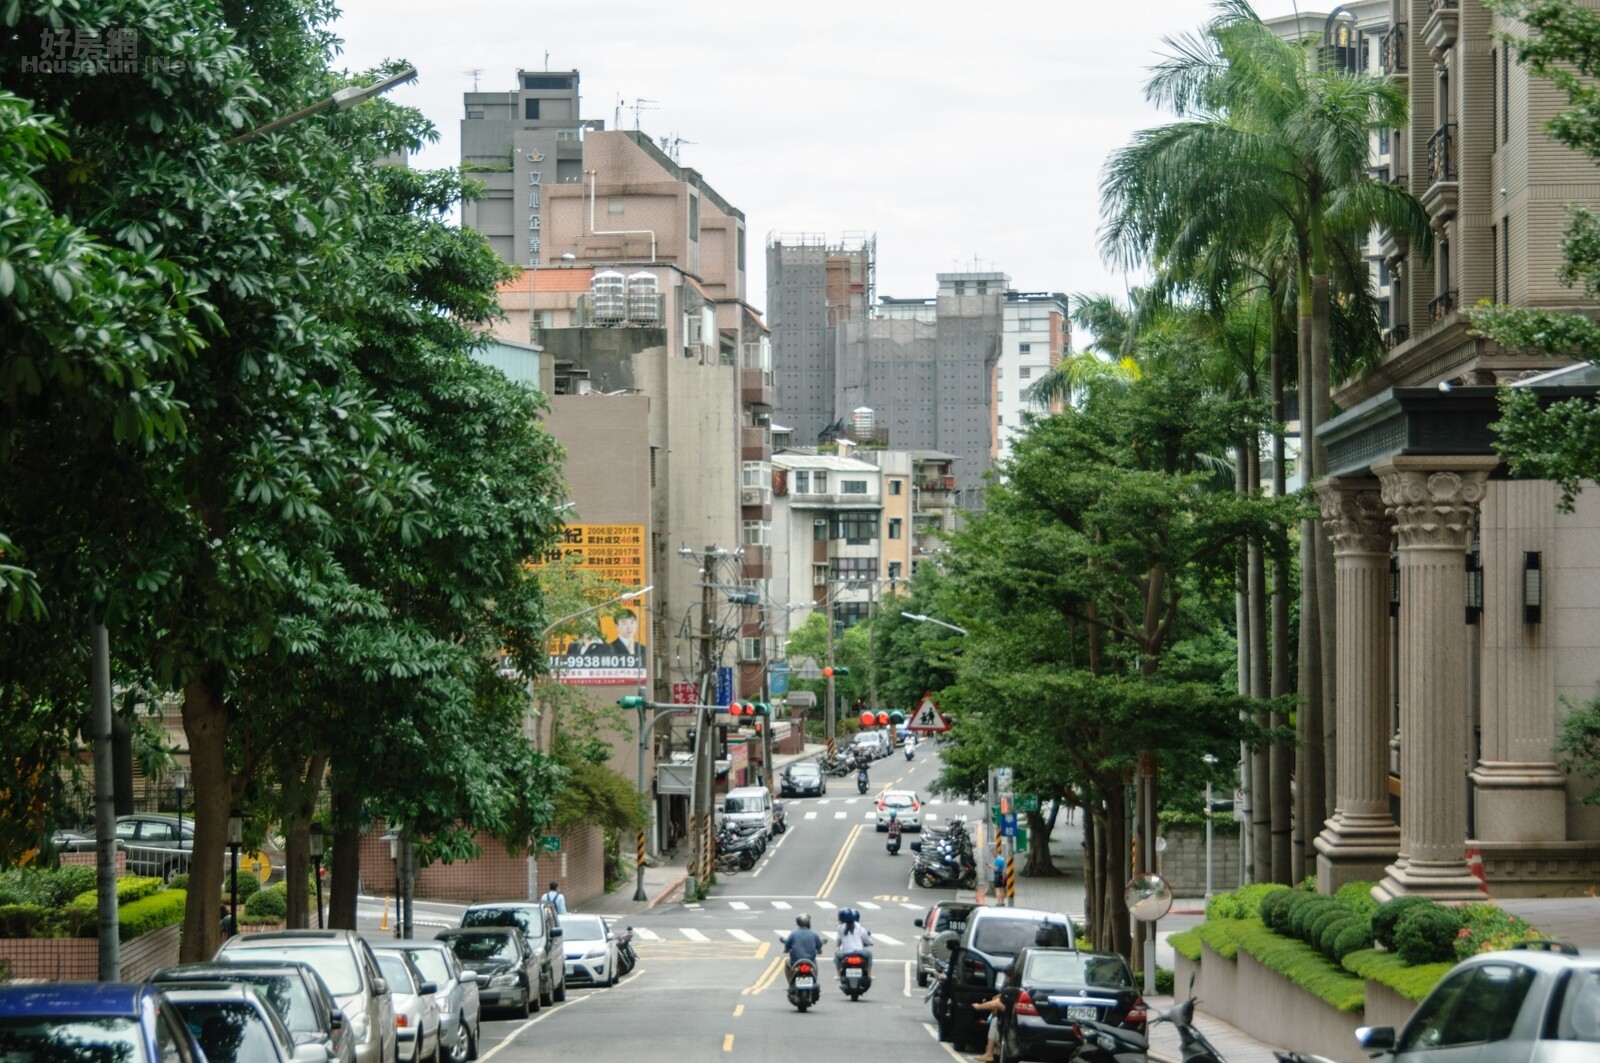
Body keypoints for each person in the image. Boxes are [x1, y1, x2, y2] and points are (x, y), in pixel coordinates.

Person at [971, 965, 1012, 1063]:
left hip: (1011, 1023)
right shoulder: (1010, 988)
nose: (1005, 979)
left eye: (1007, 977)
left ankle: (989, 1053)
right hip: (1009, 1021)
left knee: (994, 1021)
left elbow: (997, 1003)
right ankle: (989, 1052)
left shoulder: (1012, 989)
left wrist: (979, 1006)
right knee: (994, 1021)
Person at [782, 913, 825, 984]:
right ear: (807, 923)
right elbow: (820, 952)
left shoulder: (793, 934)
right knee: (815, 964)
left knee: (787, 962)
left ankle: (790, 983)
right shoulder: (814, 934)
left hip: (795, 961)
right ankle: (814, 981)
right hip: (810, 961)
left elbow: (786, 950)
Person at [835, 907, 874, 979]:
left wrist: (838, 947)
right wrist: (870, 942)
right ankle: (869, 974)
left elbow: (838, 941)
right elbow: (865, 938)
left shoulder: (840, 927)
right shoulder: (858, 926)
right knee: (869, 955)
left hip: (845, 952)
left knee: (836, 956)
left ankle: (838, 974)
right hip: (859, 951)